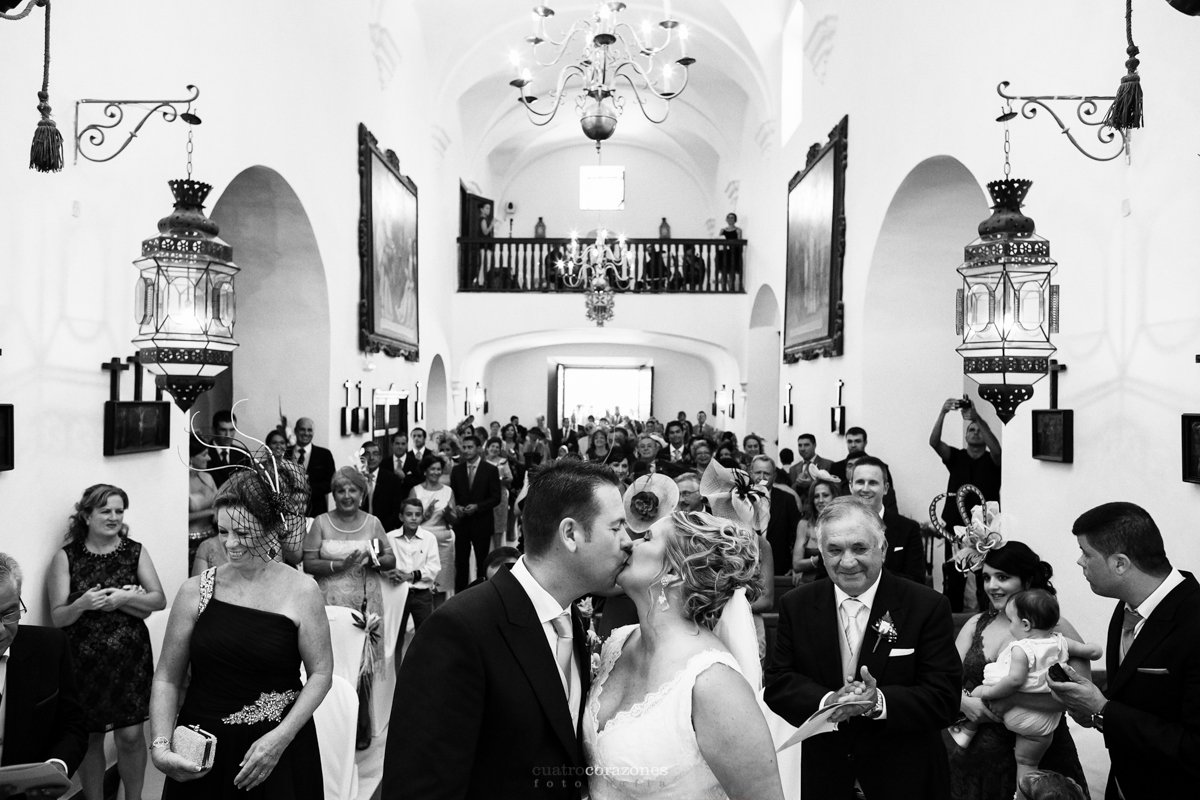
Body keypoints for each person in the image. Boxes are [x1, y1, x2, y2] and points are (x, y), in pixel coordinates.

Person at [382, 460, 633, 800]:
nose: (627, 541)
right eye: (616, 528)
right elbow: (421, 786)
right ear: (571, 534)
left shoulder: (569, 617)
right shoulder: (459, 629)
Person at [150, 463, 331, 799]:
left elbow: (321, 673)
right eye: (222, 532)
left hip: (276, 745)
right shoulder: (196, 591)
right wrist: (161, 745)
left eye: (242, 533)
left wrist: (280, 738)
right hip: (202, 746)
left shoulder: (302, 591)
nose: (230, 544)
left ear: (271, 528)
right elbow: (166, 678)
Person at [765, 496, 961, 800]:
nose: (847, 561)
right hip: (826, 775)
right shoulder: (797, 604)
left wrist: (878, 702)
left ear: (882, 549)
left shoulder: (926, 606)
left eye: (859, 548)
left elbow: (944, 697)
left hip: (904, 776)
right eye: (834, 550)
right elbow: (779, 683)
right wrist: (830, 700)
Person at [584, 510, 784, 800]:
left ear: (672, 573)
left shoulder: (713, 682)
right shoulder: (619, 644)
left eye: (647, 538)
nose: (630, 544)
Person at [1046, 502, 1200, 800]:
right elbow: (1133, 702)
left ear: (1120, 563)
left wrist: (1103, 709)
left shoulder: (1194, 622)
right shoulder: (1125, 608)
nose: (1080, 562)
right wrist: (1089, 710)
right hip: (1123, 785)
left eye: (1086, 553)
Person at [47, 484, 166, 800]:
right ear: (86, 515)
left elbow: (159, 600)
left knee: (129, 736)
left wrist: (125, 597)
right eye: (105, 511)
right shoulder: (66, 558)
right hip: (83, 660)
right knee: (91, 736)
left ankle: (134, 798)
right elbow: (58, 617)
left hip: (130, 659)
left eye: (119, 511)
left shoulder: (134, 551)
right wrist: (82, 604)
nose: (114, 517)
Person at [947, 541, 1090, 800]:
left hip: (1043, 756)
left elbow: (1083, 701)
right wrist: (962, 701)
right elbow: (942, 678)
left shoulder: (1056, 628)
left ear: (1026, 581)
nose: (992, 586)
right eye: (987, 577)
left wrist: (1012, 698)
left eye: (1003, 577)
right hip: (978, 764)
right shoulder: (975, 623)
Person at [957, 589, 1101, 784]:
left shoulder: (1021, 649)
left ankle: (967, 730)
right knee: (1027, 762)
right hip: (1045, 724)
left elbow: (1015, 680)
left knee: (981, 691)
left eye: (1011, 622)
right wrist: (1095, 650)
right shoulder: (1060, 642)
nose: (1009, 627)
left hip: (1017, 714)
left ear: (1025, 625)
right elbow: (1091, 651)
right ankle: (1023, 794)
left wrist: (990, 692)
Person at [302, 466, 394, 749]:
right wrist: (338, 565)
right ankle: (326, 728)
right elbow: (308, 563)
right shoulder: (321, 523)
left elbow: (390, 559)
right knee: (326, 664)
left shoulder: (372, 523)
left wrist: (374, 560)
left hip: (363, 602)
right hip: (328, 605)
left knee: (360, 667)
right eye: (340, 490)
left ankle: (359, 728)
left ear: (361, 493)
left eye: (352, 490)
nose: (346, 496)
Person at [0, 553, 88, 792]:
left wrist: (57, 766)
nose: (0, 630)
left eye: (9, 613)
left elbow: (73, 725)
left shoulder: (49, 647)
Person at [931, 396, 1002, 612]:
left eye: (978, 429)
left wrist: (977, 417)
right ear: (965, 435)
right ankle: (951, 619)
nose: (975, 432)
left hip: (985, 529)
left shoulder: (993, 461)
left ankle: (985, 616)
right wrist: (943, 412)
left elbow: (997, 450)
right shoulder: (956, 457)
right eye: (971, 429)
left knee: (983, 578)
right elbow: (934, 442)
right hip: (954, 527)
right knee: (954, 576)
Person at [852, 456, 926, 583]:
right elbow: (823, 577)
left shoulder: (908, 529)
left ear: (885, 488)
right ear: (850, 486)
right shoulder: (834, 526)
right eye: (860, 482)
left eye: (873, 483)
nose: (865, 489)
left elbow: (916, 580)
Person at [449, 435, 502, 590]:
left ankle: (482, 593)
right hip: (462, 523)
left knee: (482, 561)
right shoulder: (457, 470)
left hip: (482, 522)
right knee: (461, 562)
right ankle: (460, 596)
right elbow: (454, 494)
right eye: (464, 447)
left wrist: (478, 507)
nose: (466, 450)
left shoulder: (490, 469)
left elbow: (496, 497)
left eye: (470, 447)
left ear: (479, 449)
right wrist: (457, 506)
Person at [384, 498, 441, 639]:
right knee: (395, 638)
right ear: (401, 516)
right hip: (396, 593)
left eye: (418, 514)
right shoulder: (390, 538)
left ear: (422, 516)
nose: (414, 518)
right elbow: (383, 565)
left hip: (421, 595)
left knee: (426, 638)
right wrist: (389, 574)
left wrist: (409, 576)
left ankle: (423, 662)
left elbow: (434, 567)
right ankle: (396, 662)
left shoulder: (429, 538)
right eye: (409, 514)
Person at [408, 453, 457, 603]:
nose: (436, 472)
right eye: (432, 469)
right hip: (422, 542)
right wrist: (425, 515)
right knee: (422, 584)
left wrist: (449, 513)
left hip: (443, 542)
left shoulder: (448, 491)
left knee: (441, 585)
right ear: (425, 471)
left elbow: (454, 520)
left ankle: (439, 619)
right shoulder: (416, 491)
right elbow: (408, 520)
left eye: (438, 469)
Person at [751, 455, 801, 576]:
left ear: (774, 476)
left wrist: (793, 566)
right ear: (751, 473)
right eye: (758, 472)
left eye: (766, 473)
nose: (761, 477)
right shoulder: (740, 499)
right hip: (747, 569)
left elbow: (796, 535)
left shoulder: (787, 500)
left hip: (780, 570)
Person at [831, 427, 898, 512]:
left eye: (857, 441)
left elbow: (888, 496)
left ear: (865, 443)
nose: (853, 445)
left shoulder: (879, 467)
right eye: (850, 441)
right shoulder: (836, 467)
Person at [791, 478, 838, 585]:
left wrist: (811, 562)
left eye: (825, 495)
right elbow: (796, 564)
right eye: (816, 496)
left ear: (834, 497)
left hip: (834, 584)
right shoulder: (804, 524)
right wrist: (821, 558)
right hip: (807, 584)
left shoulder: (843, 523)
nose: (821, 500)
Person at [291, 417, 336, 516]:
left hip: (316, 511)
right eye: (302, 429)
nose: (306, 433)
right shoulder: (286, 452)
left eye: (309, 430)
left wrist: (308, 489)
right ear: (296, 431)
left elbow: (332, 483)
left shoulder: (324, 455)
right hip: (289, 511)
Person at [188, 437, 219, 568]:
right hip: (190, 543)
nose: (209, 458)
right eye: (204, 455)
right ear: (190, 457)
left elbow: (219, 506)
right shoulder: (181, 482)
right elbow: (178, 519)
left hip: (212, 537)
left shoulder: (207, 477)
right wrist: (210, 512)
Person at [361, 440, 404, 531]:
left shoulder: (392, 480)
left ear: (380, 458)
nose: (371, 458)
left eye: (375, 454)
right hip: (360, 529)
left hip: (385, 529)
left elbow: (396, 509)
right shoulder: (356, 478)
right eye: (367, 454)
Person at [206, 410, 252, 488]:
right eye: (223, 430)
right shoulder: (204, 454)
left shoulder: (242, 454)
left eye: (232, 430)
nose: (228, 435)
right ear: (214, 430)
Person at [484, 437, 514, 551]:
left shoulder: (503, 461)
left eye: (497, 447)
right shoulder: (482, 461)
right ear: (487, 448)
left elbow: (510, 478)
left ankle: (498, 552)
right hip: (485, 496)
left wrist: (499, 480)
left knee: (498, 525)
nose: (495, 449)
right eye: (492, 446)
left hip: (500, 495)